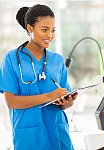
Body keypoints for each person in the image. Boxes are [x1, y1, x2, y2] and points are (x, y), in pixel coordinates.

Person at [0, 4, 77, 150]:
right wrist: (49, 96)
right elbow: (11, 102)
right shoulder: (11, 59)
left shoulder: (57, 60)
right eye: (44, 30)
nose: (50, 35)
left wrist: (67, 101)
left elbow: (65, 104)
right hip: (28, 137)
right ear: (30, 28)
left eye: (53, 30)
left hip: (58, 134)